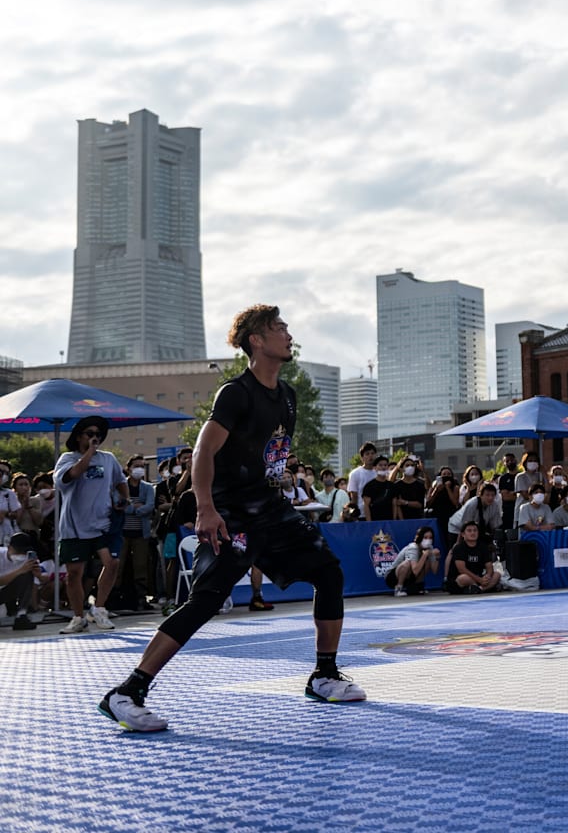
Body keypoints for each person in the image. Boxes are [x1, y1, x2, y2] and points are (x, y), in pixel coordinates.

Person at [98, 305, 364, 733]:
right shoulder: (235, 393)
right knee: (204, 601)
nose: (289, 334)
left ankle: (324, 675)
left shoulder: (288, 396)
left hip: (272, 510)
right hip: (231, 514)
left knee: (329, 574)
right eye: (280, 328)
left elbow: (269, 456)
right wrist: (205, 506)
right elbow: (203, 451)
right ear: (256, 340)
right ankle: (127, 691)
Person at [55, 415, 125, 633]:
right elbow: (72, 475)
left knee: (112, 563)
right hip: (74, 526)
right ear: (78, 437)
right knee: (74, 574)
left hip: (102, 525)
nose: (95, 438)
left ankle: (100, 609)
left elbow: (120, 481)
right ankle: (78, 617)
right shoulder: (67, 458)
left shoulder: (109, 459)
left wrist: (124, 499)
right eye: (90, 434)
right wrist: (89, 454)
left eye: (98, 434)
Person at [118, 455, 157, 610]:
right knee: (118, 566)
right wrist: (133, 507)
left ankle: (141, 598)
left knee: (141, 566)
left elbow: (150, 506)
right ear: (128, 468)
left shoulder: (148, 487)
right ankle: (114, 596)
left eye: (142, 465)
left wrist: (133, 508)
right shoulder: (121, 486)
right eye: (136, 466)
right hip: (122, 532)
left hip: (141, 533)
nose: (139, 469)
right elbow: (119, 505)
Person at [0, 532, 43, 630]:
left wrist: (38, 575)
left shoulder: (27, 559)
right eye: (18, 551)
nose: (20, 555)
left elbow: (44, 579)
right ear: (9, 547)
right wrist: (20, 570)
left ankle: (21, 615)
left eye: (23, 552)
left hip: (7, 592)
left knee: (27, 574)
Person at [444, 521, 500, 593]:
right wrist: (479, 580)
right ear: (463, 534)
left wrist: (488, 576)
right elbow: (462, 569)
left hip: (479, 578)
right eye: (469, 531)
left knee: (497, 575)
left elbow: (489, 565)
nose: (472, 533)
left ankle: (479, 589)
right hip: (461, 579)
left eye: (475, 530)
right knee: (463, 578)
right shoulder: (459, 548)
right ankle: (481, 587)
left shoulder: (483, 547)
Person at [387, 525, 440, 596]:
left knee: (427, 561)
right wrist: (424, 555)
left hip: (411, 577)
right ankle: (398, 588)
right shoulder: (413, 547)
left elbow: (434, 570)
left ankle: (417, 587)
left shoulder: (430, 548)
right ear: (420, 538)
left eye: (430, 538)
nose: (428, 540)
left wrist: (437, 558)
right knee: (407, 563)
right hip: (393, 577)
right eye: (425, 538)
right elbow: (415, 571)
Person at [360, 456, 394, 521]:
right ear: (375, 468)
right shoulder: (369, 486)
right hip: (375, 520)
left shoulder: (391, 485)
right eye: (380, 465)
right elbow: (366, 506)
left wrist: (394, 520)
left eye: (385, 465)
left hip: (389, 520)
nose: (383, 467)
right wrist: (369, 522)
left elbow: (394, 504)